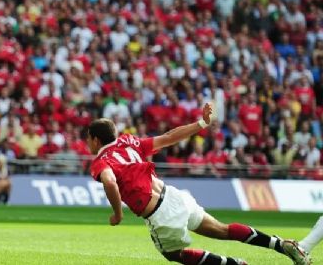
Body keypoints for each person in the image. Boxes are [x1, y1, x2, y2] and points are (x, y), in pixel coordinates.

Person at [86, 103, 307, 265]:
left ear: (96, 140)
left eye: (88, 138)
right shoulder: (129, 142)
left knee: (174, 255)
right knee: (223, 229)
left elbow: (109, 181)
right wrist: (202, 123)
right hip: (175, 197)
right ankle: (280, 244)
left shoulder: (101, 161)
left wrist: (117, 214)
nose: (88, 142)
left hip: (160, 215)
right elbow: (169, 137)